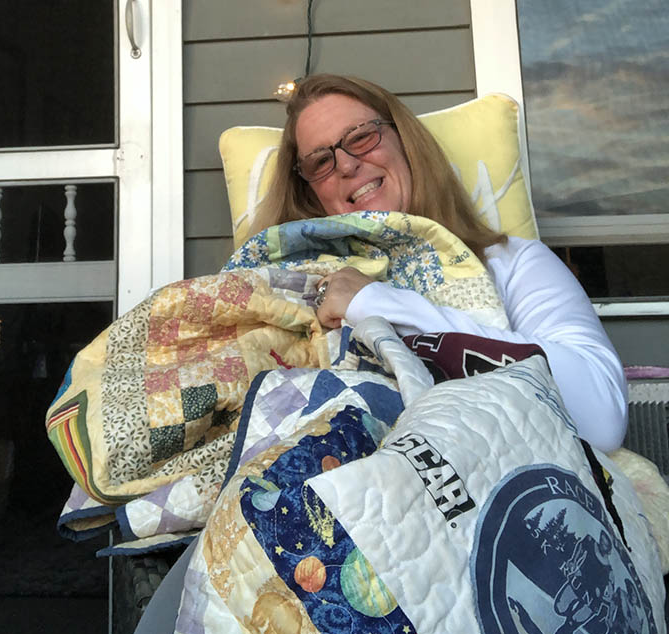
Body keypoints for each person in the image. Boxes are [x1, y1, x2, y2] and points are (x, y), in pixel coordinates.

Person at [252, 73, 627, 453]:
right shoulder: (286, 289)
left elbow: (601, 419)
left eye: (361, 137)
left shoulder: (512, 263)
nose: (346, 165)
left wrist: (375, 304)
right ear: (310, 193)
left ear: (405, 142)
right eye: (320, 161)